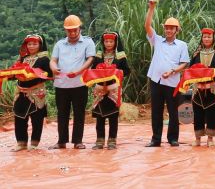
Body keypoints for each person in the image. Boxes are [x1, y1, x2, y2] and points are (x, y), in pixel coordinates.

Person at [144, 0, 190, 147]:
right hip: (156, 80)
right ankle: (156, 139)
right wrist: (151, 8)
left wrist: (173, 71)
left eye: (172, 28)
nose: (168, 30)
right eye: (167, 28)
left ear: (177, 30)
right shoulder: (157, 40)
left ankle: (173, 138)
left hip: (172, 82)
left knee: (173, 111)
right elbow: (147, 26)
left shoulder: (182, 45)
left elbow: (185, 63)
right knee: (156, 111)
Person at [50, 15, 96, 149]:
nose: (72, 33)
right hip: (61, 84)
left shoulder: (88, 42)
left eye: (75, 30)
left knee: (79, 112)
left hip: (79, 84)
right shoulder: (60, 44)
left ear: (79, 28)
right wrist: (54, 68)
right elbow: (53, 60)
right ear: (65, 31)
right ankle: (61, 141)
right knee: (62, 113)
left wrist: (78, 71)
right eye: (69, 30)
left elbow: (90, 59)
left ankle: (78, 141)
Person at [9, 34, 52, 151]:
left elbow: (50, 75)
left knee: (37, 119)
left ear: (40, 45)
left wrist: (35, 82)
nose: (32, 46)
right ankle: (21, 143)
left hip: (36, 92)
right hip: (21, 92)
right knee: (19, 118)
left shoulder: (44, 59)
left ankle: (34, 143)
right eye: (29, 44)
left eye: (34, 44)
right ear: (25, 45)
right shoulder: (22, 58)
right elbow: (13, 75)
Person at [89, 31, 130, 149]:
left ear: (115, 42)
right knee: (99, 117)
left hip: (113, 90)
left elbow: (126, 71)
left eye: (111, 41)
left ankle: (112, 141)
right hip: (100, 89)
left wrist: (116, 72)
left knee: (113, 117)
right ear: (103, 42)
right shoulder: (98, 55)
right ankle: (99, 141)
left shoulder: (120, 56)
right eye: (106, 41)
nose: (108, 43)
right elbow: (93, 70)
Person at [188, 28, 215, 146]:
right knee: (198, 113)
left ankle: (210, 139)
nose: (206, 39)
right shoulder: (196, 53)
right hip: (198, 89)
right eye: (204, 37)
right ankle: (198, 139)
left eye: (209, 37)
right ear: (202, 38)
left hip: (213, 88)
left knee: (212, 113)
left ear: (213, 38)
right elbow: (191, 68)